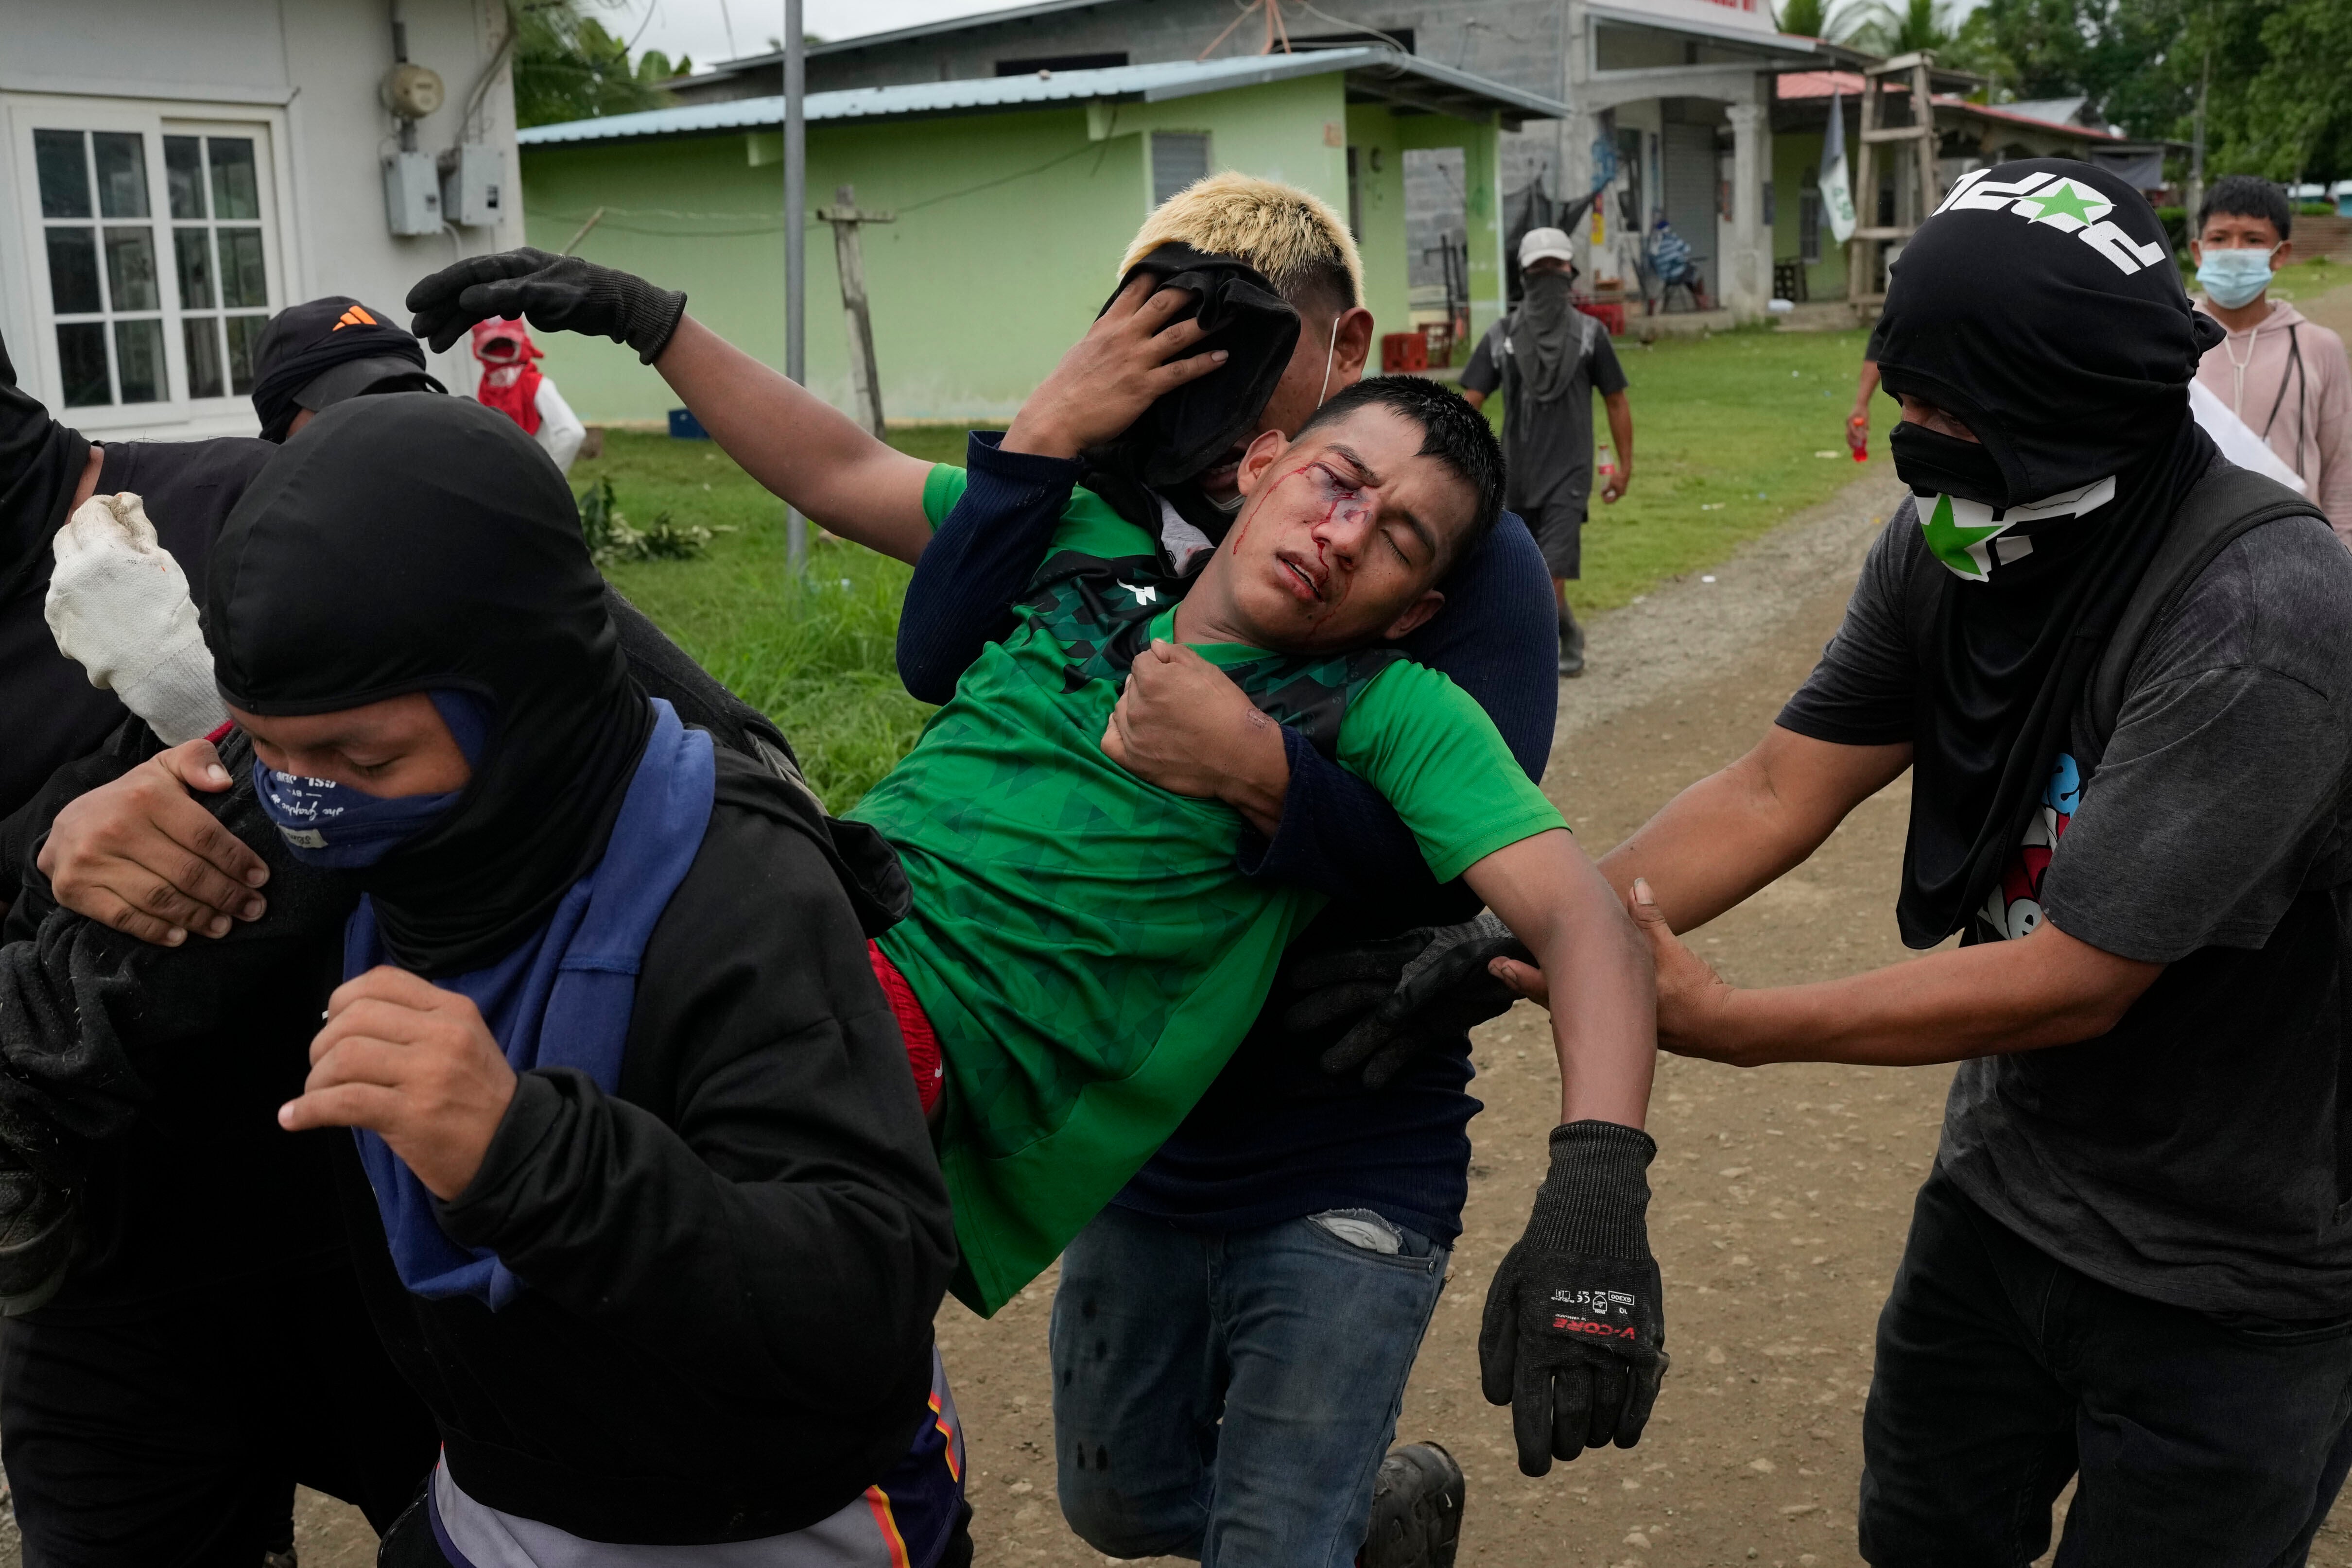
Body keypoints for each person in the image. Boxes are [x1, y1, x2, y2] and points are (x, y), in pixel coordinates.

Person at [1515, 159, 2352, 1564]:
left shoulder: (2261, 614)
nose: (1917, 435)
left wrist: (1738, 1024)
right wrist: (1540, 927)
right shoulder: (1972, 529)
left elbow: (2080, 979)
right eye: (1902, 387)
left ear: (2075, 402)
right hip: (2007, 1195)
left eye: (1952, 406)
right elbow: (1783, 783)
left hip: (2239, 1271)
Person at [200, 394, 962, 1564]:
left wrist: (528, 1156)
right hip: (496, 1493)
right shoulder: (342, 837)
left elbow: (864, 1295)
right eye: (268, 749)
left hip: (777, 1514)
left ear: (527, 700)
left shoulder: (738, 883)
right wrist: (105, 840)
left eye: (361, 758)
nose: (308, 805)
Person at [0, 313, 452, 1566]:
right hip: (102, 1289)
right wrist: (57, 835)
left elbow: (621, 749)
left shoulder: (252, 508)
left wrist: (211, 728)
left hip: (401, 1226)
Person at [1460, 226, 1633, 677]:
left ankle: (1542, 654)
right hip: (1515, 474)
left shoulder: (1592, 336)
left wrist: (1624, 468)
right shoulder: (1502, 338)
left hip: (1569, 475)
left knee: (1549, 572)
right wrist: (1452, 460)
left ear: (1570, 273)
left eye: (1556, 267)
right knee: (1523, 572)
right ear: (1524, 277)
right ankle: (1566, 630)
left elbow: (1616, 400)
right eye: (1539, 269)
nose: (1549, 276)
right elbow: (1470, 401)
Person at [2190, 173, 2352, 535]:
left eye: (2252, 240)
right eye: (2219, 238)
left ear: (2280, 255)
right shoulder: (2173, 344)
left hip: (2297, 544)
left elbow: (2341, 472)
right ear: (2199, 252)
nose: (2234, 250)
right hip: (2192, 551)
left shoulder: (2318, 347)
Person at [470, 318, 587, 472]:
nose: (500, 350)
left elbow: (572, 433)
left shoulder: (537, 386)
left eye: (505, 343)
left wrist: (546, 477)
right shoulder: (484, 388)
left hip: (535, 487)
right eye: (492, 346)